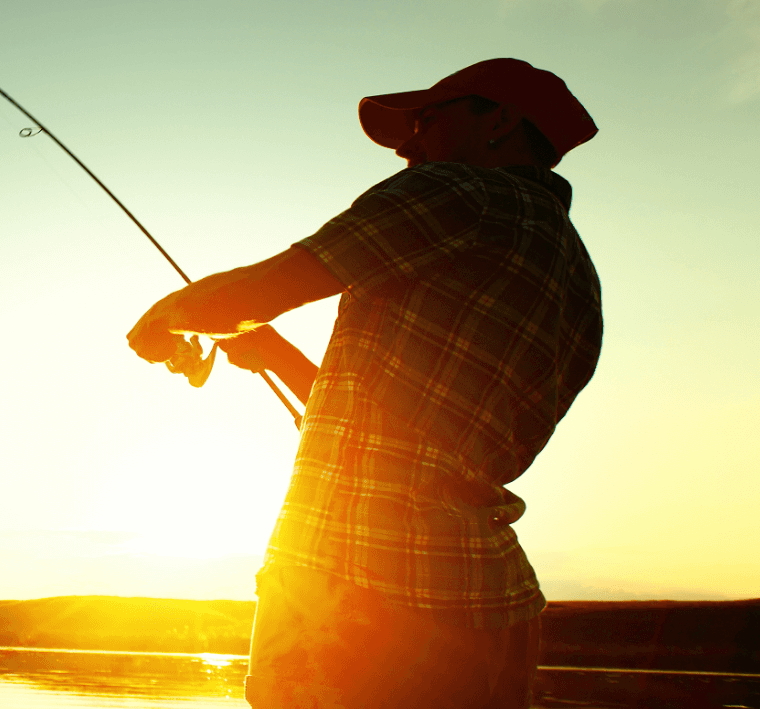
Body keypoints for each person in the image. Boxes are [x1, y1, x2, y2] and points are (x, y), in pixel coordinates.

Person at [127, 58, 602, 708]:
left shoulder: (459, 191)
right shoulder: (577, 274)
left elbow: (269, 287)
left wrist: (163, 319)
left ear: (499, 121)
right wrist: (277, 356)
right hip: (492, 605)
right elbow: (411, 430)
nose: (408, 145)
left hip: (356, 594)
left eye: (427, 120)